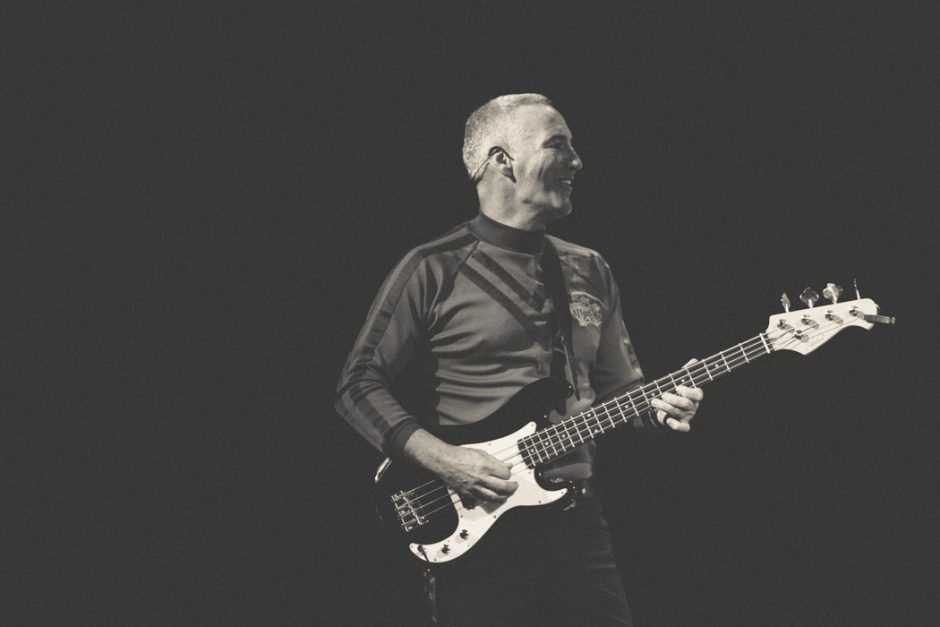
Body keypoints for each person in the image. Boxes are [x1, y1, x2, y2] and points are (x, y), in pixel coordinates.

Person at [335, 93, 703, 626]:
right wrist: (444, 459)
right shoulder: (432, 268)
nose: (577, 161)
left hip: (578, 525)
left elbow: (624, 392)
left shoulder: (590, 268)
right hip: (477, 528)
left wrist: (660, 407)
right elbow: (357, 384)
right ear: (502, 161)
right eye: (558, 145)